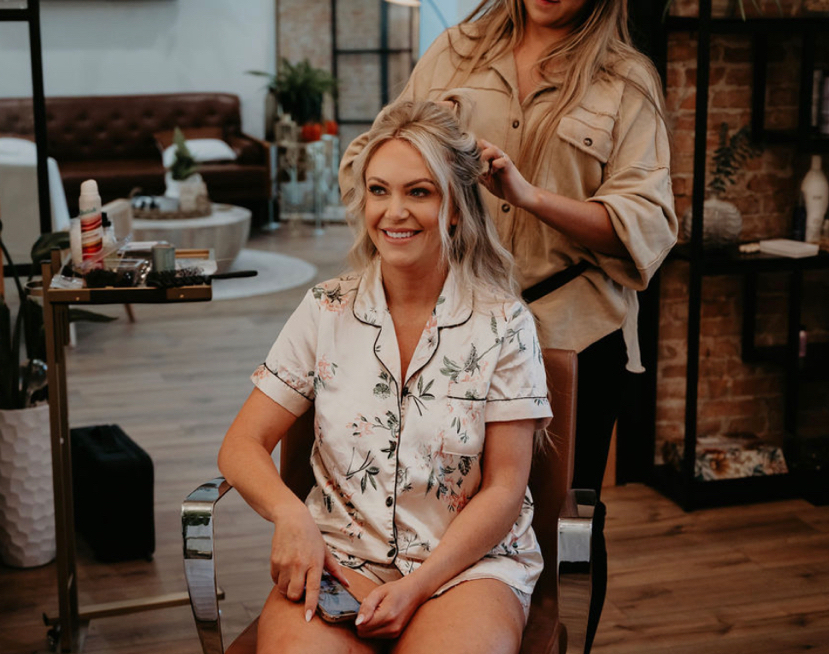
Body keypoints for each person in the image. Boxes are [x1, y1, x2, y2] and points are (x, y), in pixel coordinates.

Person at [219, 100, 552, 654]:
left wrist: (418, 586)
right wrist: (290, 515)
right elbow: (240, 445)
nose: (393, 212)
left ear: (453, 207)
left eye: (418, 192)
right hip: (341, 560)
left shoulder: (504, 323)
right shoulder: (324, 308)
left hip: (465, 569)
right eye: (379, 191)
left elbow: (503, 490)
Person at [341, 0, 678, 492]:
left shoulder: (625, 80)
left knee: (563, 523)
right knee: (440, 504)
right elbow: (367, 161)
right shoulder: (455, 53)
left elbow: (647, 223)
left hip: (571, 337)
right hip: (447, 328)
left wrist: (531, 197)